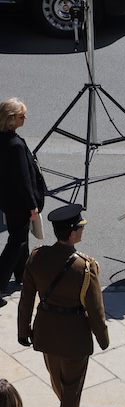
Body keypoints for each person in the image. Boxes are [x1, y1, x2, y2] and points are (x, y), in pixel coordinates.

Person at [18, 203, 108, 407]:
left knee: (57, 377)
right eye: (79, 226)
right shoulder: (84, 267)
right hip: (74, 339)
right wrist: (103, 339)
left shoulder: (37, 257)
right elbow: (96, 310)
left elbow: (26, 299)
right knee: (72, 394)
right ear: (71, 233)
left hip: (45, 332)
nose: (81, 229)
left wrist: (23, 330)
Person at [0, 97, 44, 308]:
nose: (25, 118)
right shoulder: (15, 145)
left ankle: (22, 275)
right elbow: (23, 179)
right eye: (21, 116)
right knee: (16, 242)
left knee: (21, 237)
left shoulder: (3, 138)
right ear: (10, 119)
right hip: (19, 203)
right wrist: (32, 204)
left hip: (8, 200)